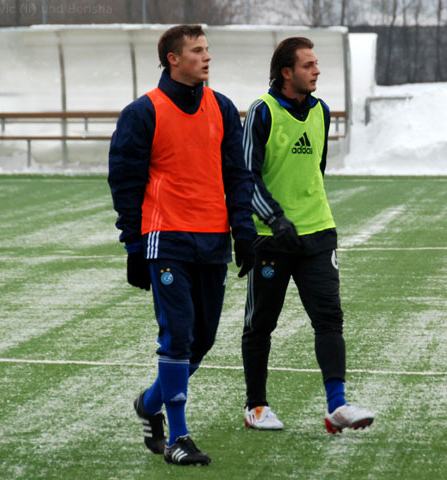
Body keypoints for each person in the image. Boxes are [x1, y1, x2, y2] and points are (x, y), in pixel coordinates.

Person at [108, 25, 256, 466]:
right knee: (178, 336)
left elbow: (238, 175)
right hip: (166, 237)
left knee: (201, 341)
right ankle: (178, 437)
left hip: (213, 240)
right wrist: (134, 246)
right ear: (173, 59)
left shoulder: (222, 108)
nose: (206, 57)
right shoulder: (142, 112)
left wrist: (243, 231)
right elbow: (125, 182)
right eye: (197, 50)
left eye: (207, 49)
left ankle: (149, 403)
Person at [241, 37, 375, 433]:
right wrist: (275, 218)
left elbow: (316, 169)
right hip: (271, 238)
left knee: (329, 319)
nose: (317, 71)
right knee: (260, 324)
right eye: (308, 65)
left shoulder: (322, 111)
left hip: (318, 234)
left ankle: (337, 406)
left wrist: (307, 215)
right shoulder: (261, 111)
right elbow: (246, 177)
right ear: (286, 72)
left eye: (317, 64)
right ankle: (256, 407)